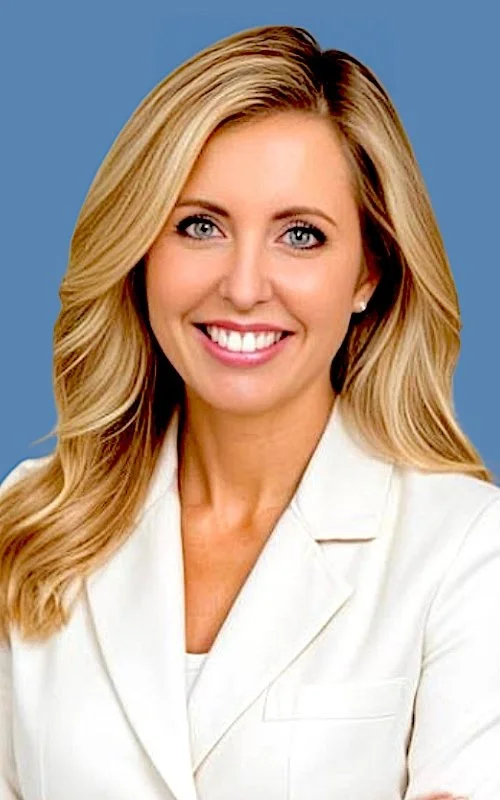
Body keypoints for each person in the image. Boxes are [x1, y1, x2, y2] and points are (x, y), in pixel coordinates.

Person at [0, 23, 498, 800]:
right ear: (141, 252)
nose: (242, 285)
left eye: (301, 235)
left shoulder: (468, 548)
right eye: (200, 226)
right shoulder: (28, 526)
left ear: (369, 271)